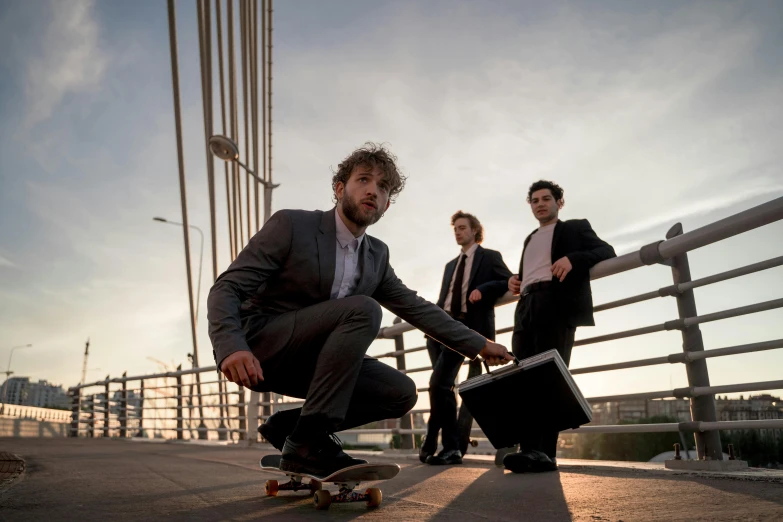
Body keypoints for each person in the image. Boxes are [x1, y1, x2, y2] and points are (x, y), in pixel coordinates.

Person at [207, 143, 513, 477]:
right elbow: (228, 287)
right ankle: (308, 443)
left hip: (319, 364)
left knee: (400, 393)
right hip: (264, 348)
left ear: (387, 204)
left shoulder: (376, 256)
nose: (373, 190)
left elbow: (418, 308)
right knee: (363, 309)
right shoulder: (292, 226)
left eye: (382, 187)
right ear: (340, 188)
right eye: (363, 180)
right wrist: (231, 347)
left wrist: (481, 345)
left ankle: (290, 428)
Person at [500, 180, 616, 473]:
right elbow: (533, 269)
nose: (540, 204)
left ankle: (545, 453)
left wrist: (573, 259)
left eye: (546, 199)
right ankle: (527, 449)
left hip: (555, 304)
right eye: (535, 200)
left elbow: (607, 251)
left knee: (549, 377)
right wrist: (516, 280)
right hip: (525, 305)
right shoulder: (529, 238)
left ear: (558, 203)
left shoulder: (574, 228)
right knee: (523, 378)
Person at [421, 211, 512, 465]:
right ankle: (443, 444)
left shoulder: (489, 257)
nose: (458, 232)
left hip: (467, 330)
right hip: (441, 331)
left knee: (439, 385)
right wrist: (429, 325)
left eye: (462, 228)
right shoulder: (450, 265)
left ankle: (446, 446)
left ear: (475, 230)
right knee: (442, 388)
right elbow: (443, 299)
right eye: (456, 229)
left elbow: (508, 281)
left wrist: (483, 289)